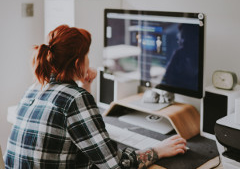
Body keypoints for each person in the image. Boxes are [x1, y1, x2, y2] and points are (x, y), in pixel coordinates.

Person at [4, 25, 187, 169]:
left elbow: (79, 126)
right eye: (87, 55)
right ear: (78, 62)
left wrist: (86, 85)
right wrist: (159, 150)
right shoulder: (75, 99)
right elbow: (115, 165)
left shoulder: (35, 88)